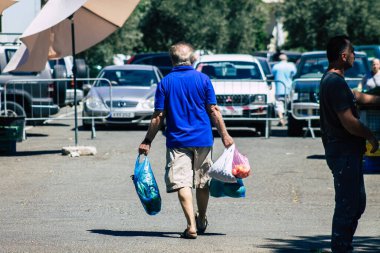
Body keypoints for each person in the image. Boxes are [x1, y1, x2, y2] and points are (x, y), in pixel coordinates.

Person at [138, 42, 234, 239]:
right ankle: (202, 218)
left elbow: (158, 116)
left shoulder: (165, 83)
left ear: (171, 60)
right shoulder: (203, 79)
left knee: (182, 182)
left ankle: (191, 226)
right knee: (202, 182)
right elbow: (214, 110)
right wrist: (225, 135)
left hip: (177, 141)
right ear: (192, 58)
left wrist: (148, 140)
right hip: (203, 139)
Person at [319, 35, 380, 253]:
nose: (354, 55)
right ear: (344, 56)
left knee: (356, 202)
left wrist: (375, 100)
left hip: (345, 152)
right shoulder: (334, 83)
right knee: (348, 204)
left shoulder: (334, 80)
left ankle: (343, 245)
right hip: (343, 152)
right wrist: (370, 135)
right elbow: (350, 123)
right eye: (352, 51)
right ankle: (341, 247)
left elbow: (354, 96)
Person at [271, 53, 297, 126]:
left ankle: (281, 119)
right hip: (289, 88)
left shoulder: (275, 67)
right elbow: (294, 74)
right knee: (289, 104)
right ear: (286, 59)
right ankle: (288, 119)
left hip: (279, 88)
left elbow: (272, 74)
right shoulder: (291, 66)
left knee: (279, 104)